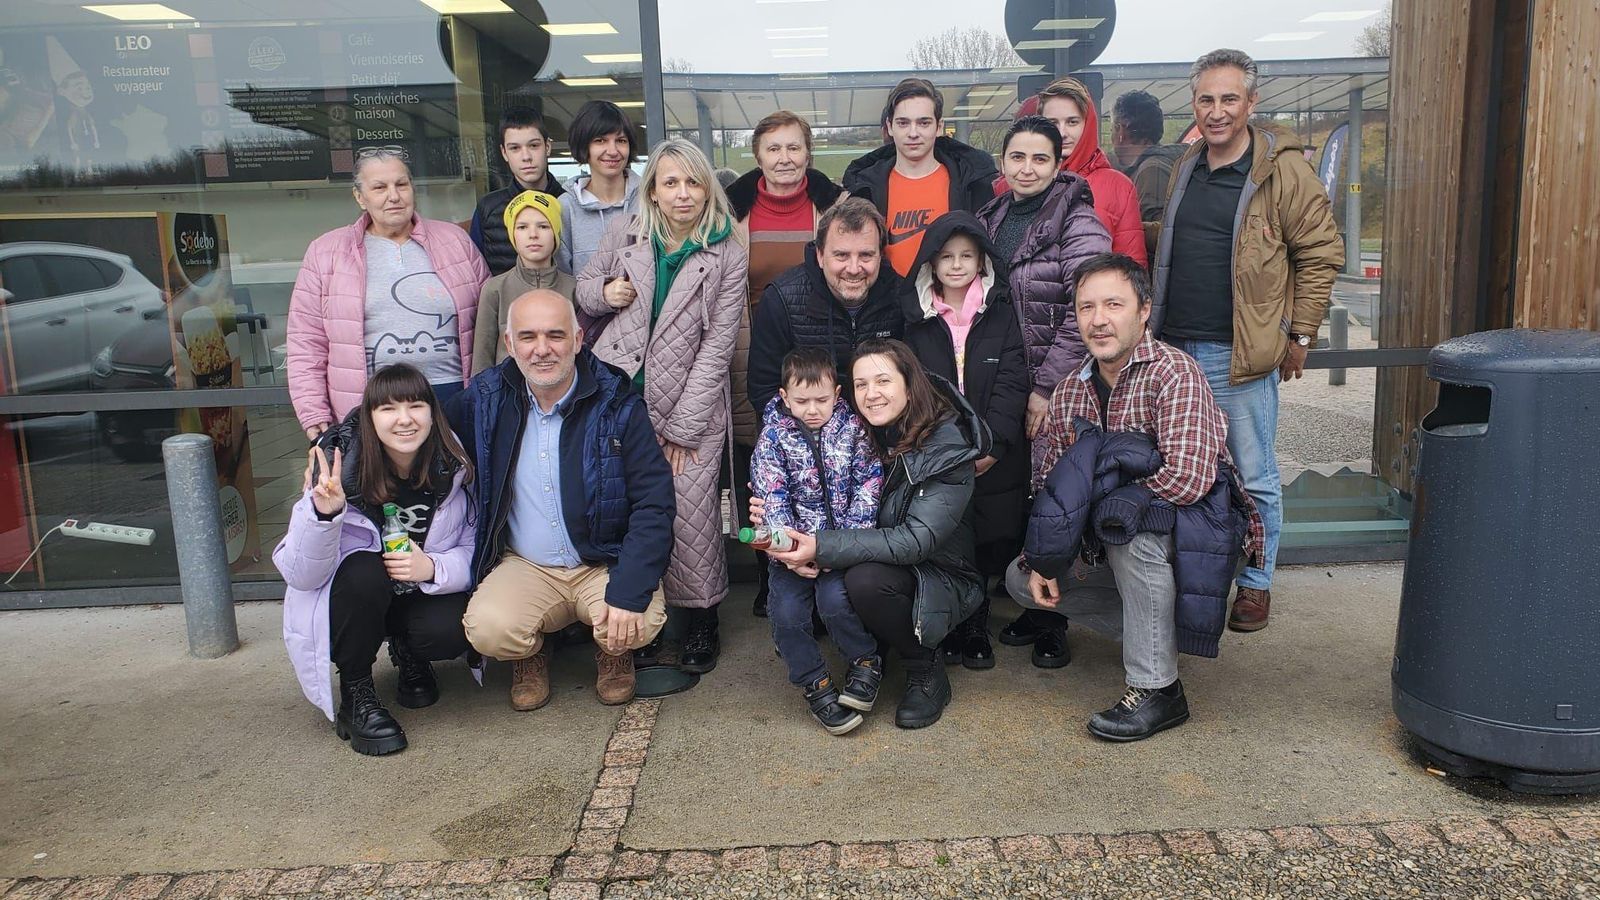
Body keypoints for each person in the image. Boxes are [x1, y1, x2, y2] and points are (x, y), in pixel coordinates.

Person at [1006, 253, 1262, 742]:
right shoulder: (1067, 393)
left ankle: (1158, 689)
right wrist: (1046, 553)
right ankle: (1156, 633)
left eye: (1113, 304)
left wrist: (1108, 510)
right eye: (1085, 308)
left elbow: (1189, 480)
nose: (1098, 320)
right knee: (1021, 579)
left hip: (1198, 542)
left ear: (1143, 310)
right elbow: (1049, 484)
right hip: (1114, 538)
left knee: (1132, 532)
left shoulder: (1175, 373)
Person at [1149, 49, 1343, 632]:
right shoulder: (1186, 164)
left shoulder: (1282, 171)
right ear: (1194, 104)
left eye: (1229, 98)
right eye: (1206, 99)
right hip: (1174, 350)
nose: (1217, 111)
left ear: (1251, 104)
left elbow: (1319, 255)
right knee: (1181, 468)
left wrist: (1301, 333)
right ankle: (1195, 574)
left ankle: (1255, 584)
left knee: (1253, 473)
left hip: (1237, 353)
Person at [450, 290, 674, 711]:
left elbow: (654, 503)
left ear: (577, 338)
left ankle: (613, 651)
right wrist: (342, 443)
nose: (542, 350)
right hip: (527, 565)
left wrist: (627, 592)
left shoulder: (617, 402)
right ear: (509, 342)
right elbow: (420, 425)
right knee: (489, 630)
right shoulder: (487, 398)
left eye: (555, 335)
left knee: (638, 620)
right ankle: (530, 654)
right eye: (528, 336)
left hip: (602, 562)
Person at [576, 138, 748, 675]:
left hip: (687, 404)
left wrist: (684, 429)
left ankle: (700, 621)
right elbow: (582, 290)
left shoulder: (727, 251)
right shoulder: (626, 231)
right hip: (617, 398)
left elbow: (719, 346)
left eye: (692, 182)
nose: (681, 194)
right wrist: (608, 292)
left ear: (707, 188)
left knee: (689, 516)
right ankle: (640, 616)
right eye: (669, 182)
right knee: (625, 508)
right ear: (652, 188)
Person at [765, 339, 990, 730]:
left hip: (938, 572)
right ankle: (874, 651)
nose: (871, 394)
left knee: (863, 580)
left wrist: (821, 546)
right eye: (861, 384)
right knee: (825, 591)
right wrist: (774, 512)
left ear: (909, 382)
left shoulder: (945, 444)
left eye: (883, 381)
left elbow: (916, 540)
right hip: (878, 555)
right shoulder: (856, 429)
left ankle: (925, 667)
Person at [276, 364, 476, 756]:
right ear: (369, 418)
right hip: (353, 603)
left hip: (412, 594)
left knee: (453, 625)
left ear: (431, 413)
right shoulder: (335, 474)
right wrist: (325, 515)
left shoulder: (450, 467)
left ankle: (410, 654)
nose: (404, 419)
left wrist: (432, 568)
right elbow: (300, 574)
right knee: (366, 571)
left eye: (415, 405)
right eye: (388, 409)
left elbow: (473, 549)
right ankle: (357, 692)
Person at [975, 116, 1112, 668]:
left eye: (1039, 159)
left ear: (1059, 165)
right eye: (1017, 157)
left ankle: (1057, 619)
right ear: (1003, 163)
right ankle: (1025, 600)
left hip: (1061, 385)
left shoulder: (1080, 223)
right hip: (1007, 378)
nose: (1026, 168)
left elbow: (1089, 312)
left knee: (1058, 502)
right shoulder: (992, 216)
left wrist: (1046, 388)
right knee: (1020, 496)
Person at [726, 109, 846, 616]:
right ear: (756, 156)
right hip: (749, 345)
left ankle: (820, 561)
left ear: (808, 153)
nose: (784, 159)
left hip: (813, 346)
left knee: (817, 457)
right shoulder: (730, 211)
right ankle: (767, 571)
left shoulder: (834, 206)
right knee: (760, 458)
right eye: (773, 149)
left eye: (794, 148)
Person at [899, 212, 1030, 671]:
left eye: (967, 256)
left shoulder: (999, 310)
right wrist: (939, 452)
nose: (956, 265)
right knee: (948, 536)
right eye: (947, 257)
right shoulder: (915, 317)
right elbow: (913, 390)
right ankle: (954, 620)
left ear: (982, 261)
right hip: (939, 454)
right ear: (931, 263)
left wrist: (992, 446)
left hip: (993, 452)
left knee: (991, 533)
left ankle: (978, 620)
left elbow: (1014, 379)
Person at [288, 148, 489, 440]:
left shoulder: (455, 242)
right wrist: (313, 412)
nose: (393, 196)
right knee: (381, 487)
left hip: (454, 397)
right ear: (360, 197)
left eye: (401, 184)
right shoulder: (326, 253)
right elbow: (306, 342)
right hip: (374, 405)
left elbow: (489, 323)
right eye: (379, 187)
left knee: (459, 484)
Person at [750, 347, 884, 735]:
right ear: (783, 396)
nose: (812, 409)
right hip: (790, 553)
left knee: (836, 603)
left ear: (837, 394)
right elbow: (770, 494)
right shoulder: (773, 437)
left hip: (838, 548)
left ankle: (865, 660)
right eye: (802, 401)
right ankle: (815, 682)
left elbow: (869, 485)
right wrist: (790, 552)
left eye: (821, 400)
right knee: (787, 616)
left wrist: (840, 545)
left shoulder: (854, 430)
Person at [747, 197, 904, 418]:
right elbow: (763, 390)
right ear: (820, 255)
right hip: (808, 436)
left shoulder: (902, 296)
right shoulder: (781, 299)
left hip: (883, 430)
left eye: (866, 255)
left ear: (880, 255)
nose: (853, 268)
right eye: (841, 255)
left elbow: (916, 381)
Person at [843, 78, 999, 277]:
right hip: (889, 304)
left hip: (951, 303)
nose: (913, 133)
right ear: (890, 127)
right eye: (903, 123)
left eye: (923, 122)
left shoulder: (972, 184)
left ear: (939, 127)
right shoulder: (865, 189)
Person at [472, 190, 575, 375]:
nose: (533, 234)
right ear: (512, 235)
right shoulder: (495, 289)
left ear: (556, 233)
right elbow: (482, 358)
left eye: (543, 226)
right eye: (522, 227)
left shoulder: (573, 288)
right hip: (507, 396)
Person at [470, 106, 567, 275]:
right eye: (515, 148)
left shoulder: (569, 203)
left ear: (548, 147)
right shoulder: (488, 209)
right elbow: (476, 273)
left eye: (534, 145)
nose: (526, 157)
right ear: (504, 153)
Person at [558, 100, 642, 276]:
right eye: (600, 140)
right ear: (584, 146)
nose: (612, 151)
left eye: (620, 140)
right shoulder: (565, 208)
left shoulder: (650, 200)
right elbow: (562, 280)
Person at [1110, 90, 1184, 225]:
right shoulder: (1165, 163)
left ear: (1120, 130)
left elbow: (1156, 235)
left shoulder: (1151, 172)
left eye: (1112, 129)